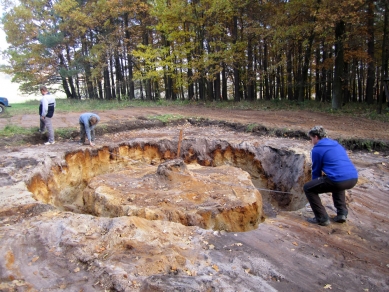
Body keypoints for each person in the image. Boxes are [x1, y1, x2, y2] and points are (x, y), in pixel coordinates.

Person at [304, 126, 358, 226]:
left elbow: (316, 171)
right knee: (337, 182)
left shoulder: (317, 149)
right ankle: (342, 213)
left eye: (311, 139)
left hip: (338, 179)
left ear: (316, 137)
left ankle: (322, 218)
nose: (311, 141)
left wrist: (314, 185)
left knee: (308, 188)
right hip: (353, 178)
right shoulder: (336, 145)